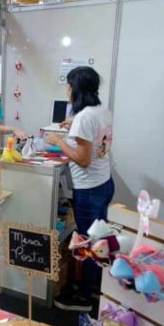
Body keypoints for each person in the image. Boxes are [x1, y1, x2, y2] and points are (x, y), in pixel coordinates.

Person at [45, 66, 114, 311]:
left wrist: (59, 141)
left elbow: (83, 160)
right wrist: (73, 126)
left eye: (69, 85)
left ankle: (84, 298)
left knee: (88, 244)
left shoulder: (84, 117)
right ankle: (94, 287)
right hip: (104, 183)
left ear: (76, 89)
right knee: (99, 240)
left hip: (89, 188)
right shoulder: (101, 110)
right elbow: (92, 135)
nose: (67, 89)